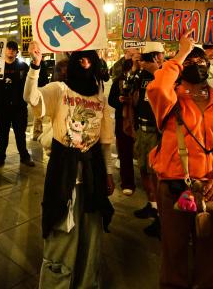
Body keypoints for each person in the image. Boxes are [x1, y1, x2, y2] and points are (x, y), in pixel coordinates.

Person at [148, 33, 213, 288]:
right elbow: (158, 86)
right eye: (190, 62)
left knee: (211, 252)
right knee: (174, 251)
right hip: (174, 189)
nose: (196, 65)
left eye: (200, 60)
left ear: (209, 65)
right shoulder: (169, 100)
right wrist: (181, 53)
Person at [24, 41, 115, 288]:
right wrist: (35, 66)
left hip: (92, 179)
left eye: (89, 58)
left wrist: (108, 172)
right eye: (79, 59)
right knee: (61, 239)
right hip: (64, 179)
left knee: (90, 240)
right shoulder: (58, 90)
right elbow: (31, 98)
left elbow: (105, 142)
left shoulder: (100, 97)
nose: (84, 63)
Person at [126, 42, 164, 237]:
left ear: (158, 57)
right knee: (143, 171)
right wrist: (134, 69)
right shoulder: (140, 75)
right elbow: (127, 89)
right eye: (143, 58)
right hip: (141, 129)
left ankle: (162, 217)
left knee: (156, 175)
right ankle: (152, 205)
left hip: (157, 133)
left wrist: (157, 70)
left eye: (148, 58)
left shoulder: (166, 74)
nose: (144, 62)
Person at [0, 40, 34, 168]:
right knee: (2, 135)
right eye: (8, 48)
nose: (10, 51)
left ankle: (24, 157)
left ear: (17, 52)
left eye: (13, 49)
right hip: (2, 108)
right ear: (4, 50)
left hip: (19, 107)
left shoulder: (23, 67)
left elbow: (31, 83)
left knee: (20, 134)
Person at [108, 49, 139, 196]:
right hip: (123, 121)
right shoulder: (118, 82)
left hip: (140, 121)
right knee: (125, 153)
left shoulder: (142, 80)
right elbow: (111, 100)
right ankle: (127, 183)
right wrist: (121, 102)